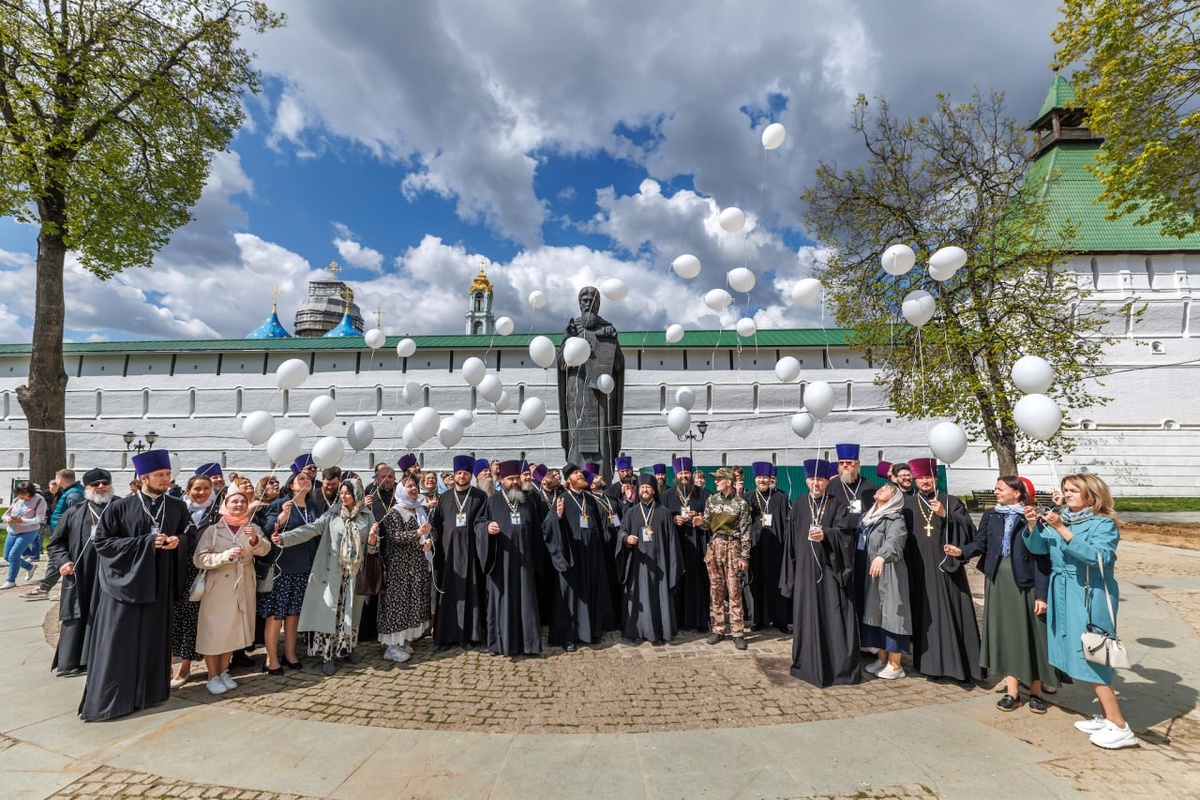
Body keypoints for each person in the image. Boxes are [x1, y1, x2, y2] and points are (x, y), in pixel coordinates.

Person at [1022, 473, 1136, 749]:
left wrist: (1062, 528)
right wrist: (1033, 524)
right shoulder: (1064, 519)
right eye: (1066, 489)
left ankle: (1120, 726)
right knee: (1076, 652)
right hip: (1062, 590)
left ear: (1091, 495)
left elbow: (1099, 558)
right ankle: (1107, 718)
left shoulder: (1102, 524)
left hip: (1088, 593)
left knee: (1093, 654)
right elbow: (1038, 548)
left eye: (1074, 490)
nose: (1067, 494)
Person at [79, 449, 194, 721]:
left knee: (154, 641)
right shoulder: (119, 507)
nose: (166, 479)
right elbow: (102, 543)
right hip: (125, 588)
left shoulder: (177, 506)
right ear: (144, 478)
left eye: (168, 474)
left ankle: (150, 694)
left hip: (159, 586)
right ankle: (113, 701)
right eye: (160, 474)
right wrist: (145, 543)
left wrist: (179, 541)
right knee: (120, 643)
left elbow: (190, 532)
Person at [945, 475, 1052, 711]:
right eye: (995, 488)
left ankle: (1036, 692)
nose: (996, 492)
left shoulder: (1032, 516)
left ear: (1017, 492)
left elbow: (1042, 558)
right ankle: (1012, 692)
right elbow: (980, 542)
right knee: (1007, 633)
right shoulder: (992, 515)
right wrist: (962, 552)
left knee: (1032, 635)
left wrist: (1042, 595)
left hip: (1025, 582)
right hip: (997, 581)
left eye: (1000, 489)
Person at [273, 480, 376, 676]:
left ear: (357, 494)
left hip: (354, 574)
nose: (343, 496)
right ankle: (328, 654)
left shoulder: (366, 515)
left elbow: (372, 548)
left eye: (348, 493)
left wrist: (372, 541)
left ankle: (347, 648)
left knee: (351, 613)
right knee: (331, 613)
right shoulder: (332, 514)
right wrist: (285, 538)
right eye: (341, 493)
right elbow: (312, 529)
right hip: (332, 573)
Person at [780, 458, 860, 687]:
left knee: (831, 615)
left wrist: (827, 535)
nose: (816, 483)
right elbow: (790, 540)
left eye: (820, 480)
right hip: (805, 570)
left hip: (829, 571)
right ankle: (807, 663)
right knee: (806, 616)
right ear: (806, 480)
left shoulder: (837, 504)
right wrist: (791, 572)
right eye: (812, 479)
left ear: (827, 481)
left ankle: (835, 667)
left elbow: (846, 535)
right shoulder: (799, 502)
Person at [903, 458, 981, 684]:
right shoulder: (908, 504)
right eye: (920, 478)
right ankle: (931, 665)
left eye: (928, 477)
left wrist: (946, 515)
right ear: (915, 480)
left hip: (947, 568)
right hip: (921, 569)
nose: (925, 482)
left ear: (935, 479)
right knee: (927, 617)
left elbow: (969, 530)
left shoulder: (951, 501)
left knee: (954, 613)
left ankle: (963, 667)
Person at [192, 491, 269, 695]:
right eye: (234, 501)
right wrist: (224, 556)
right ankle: (212, 675)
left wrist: (255, 541)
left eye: (243, 501)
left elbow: (265, 550)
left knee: (233, 630)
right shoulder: (213, 530)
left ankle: (224, 671)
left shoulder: (252, 527)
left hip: (243, 583)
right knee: (214, 631)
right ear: (225, 505)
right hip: (218, 586)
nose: (239, 504)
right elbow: (199, 559)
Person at [476, 460, 546, 656]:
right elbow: (478, 524)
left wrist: (537, 560)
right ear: (502, 480)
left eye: (516, 478)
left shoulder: (529, 502)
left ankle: (528, 644)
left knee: (526, 601)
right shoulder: (492, 501)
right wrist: (487, 527)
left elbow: (538, 531)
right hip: (502, 563)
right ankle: (500, 643)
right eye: (510, 479)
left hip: (525, 562)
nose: (514, 482)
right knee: (502, 602)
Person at [48, 468, 113, 676]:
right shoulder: (74, 512)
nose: (101, 487)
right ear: (87, 488)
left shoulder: (123, 507)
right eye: (95, 484)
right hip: (82, 573)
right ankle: (76, 660)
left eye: (105, 482)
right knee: (81, 612)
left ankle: (104, 658)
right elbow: (56, 544)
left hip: (114, 574)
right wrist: (63, 562)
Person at [544, 463, 614, 651]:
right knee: (571, 596)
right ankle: (568, 636)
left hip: (591, 555)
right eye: (576, 473)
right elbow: (547, 527)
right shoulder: (562, 499)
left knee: (591, 591)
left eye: (580, 473)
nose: (580, 475)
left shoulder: (589, 499)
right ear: (568, 480)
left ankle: (591, 631)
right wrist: (558, 516)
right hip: (572, 555)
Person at [557, 285, 625, 468]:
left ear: (598, 305)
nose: (588, 304)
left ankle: (601, 475)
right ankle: (576, 473)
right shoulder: (573, 329)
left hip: (600, 394)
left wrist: (612, 343)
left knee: (601, 434)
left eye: (592, 301)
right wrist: (567, 340)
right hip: (576, 392)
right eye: (584, 301)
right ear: (579, 303)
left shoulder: (607, 328)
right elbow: (561, 364)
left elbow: (618, 366)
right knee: (576, 433)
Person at [260, 471, 320, 673]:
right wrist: (282, 517)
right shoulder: (280, 504)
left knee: (294, 614)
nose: (306, 481)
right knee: (276, 615)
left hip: (304, 567)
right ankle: (271, 658)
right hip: (282, 568)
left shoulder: (312, 507)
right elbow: (268, 531)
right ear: (291, 485)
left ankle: (290, 653)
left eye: (308, 479)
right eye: (301, 479)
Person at [429, 454, 489, 649]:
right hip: (449, 554)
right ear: (454, 475)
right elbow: (437, 525)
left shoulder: (479, 496)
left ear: (470, 476)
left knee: (471, 594)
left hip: (471, 554)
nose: (462, 476)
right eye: (459, 473)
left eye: (465, 473)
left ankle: (469, 636)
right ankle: (447, 636)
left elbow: (483, 522)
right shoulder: (445, 497)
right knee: (448, 596)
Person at [374, 474, 434, 663]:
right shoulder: (395, 512)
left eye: (415, 486)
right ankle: (391, 646)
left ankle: (404, 639)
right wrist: (417, 533)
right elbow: (394, 536)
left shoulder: (420, 510)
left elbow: (430, 532)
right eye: (409, 486)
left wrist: (429, 541)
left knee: (412, 602)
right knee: (397, 604)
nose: (413, 489)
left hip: (417, 565)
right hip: (399, 567)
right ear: (401, 490)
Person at [615, 474, 680, 644]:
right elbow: (621, 531)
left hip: (660, 563)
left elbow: (672, 541)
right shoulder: (631, 512)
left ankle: (658, 632)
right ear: (638, 490)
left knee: (659, 597)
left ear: (654, 490)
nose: (645, 490)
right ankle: (637, 631)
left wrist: (672, 564)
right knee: (638, 597)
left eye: (648, 487)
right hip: (638, 562)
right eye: (642, 487)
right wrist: (626, 539)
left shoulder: (664, 512)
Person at [171, 474, 220, 688]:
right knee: (173, 619)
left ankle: (185, 667)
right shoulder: (177, 510)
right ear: (188, 490)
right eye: (197, 489)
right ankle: (167, 666)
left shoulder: (216, 514)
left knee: (192, 621)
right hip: (176, 570)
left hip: (201, 572)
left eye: (206, 489)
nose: (201, 493)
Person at [859, 483, 911, 680]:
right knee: (875, 614)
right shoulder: (868, 518)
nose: (881, 489)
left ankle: (895, 664)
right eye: (881, 487)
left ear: (894, 498)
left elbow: (895, 542)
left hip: (889, 572)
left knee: (893, 615)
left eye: (887, 489)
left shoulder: (895, 519)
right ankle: (882, 659)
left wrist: (882, 556)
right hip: (871, 573)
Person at [699, 468, 752, 650]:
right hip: (715, 547)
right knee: (716, 589)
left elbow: (746, 532)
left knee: (734, 590)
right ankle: (718, 628)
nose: (715, 482)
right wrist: (699, 522)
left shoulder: (741, 504)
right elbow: (706, 524)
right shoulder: (711, 500)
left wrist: (744, 557)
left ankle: (737, 632)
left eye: (719, 479)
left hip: (733, 548)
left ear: (728, 482)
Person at [663, 457, 709, 631]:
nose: (684, 476)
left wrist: (700, 518)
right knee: (678, 579)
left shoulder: (703, 494)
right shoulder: (667, 495)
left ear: (691, 475)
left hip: (697, 544)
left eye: (687, 473)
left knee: (697, 581)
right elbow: (661, 516)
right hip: (676, 544)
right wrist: (673, 518)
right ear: (676, 475)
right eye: (681, 473)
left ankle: (698, 621)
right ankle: (678, 621)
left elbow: (711, 518)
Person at [746, 462, 791, 634]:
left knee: (778, 584)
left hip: (777, 549)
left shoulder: (781, 497)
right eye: (759, 477)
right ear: (755, 479)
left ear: (770, 478)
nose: (762, 480)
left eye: (765, 477)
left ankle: (781, 620)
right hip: (756, 548)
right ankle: (760, 620)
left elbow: (788, 524)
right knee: (758, 584)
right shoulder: (749, 498)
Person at [3, 482, 47, 589]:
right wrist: (7, 519)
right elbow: (6, 514)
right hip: (12, 531)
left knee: (14, 555)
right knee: (7, 557)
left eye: (23, 494)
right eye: (18, 494)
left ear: (31, 492)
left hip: (28, 532)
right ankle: (29, 567)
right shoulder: (17, 499)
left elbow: (40, 519)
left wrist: (22, 521)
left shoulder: (40, 501)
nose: (20, 496)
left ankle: (11, 580)